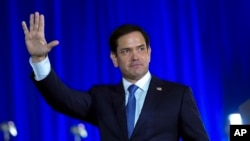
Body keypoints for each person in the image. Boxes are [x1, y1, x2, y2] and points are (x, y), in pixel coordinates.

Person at [22, 12, 209, 141]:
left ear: (149, 53)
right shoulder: (102, 97)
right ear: (114, 58)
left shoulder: (177, 95)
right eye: (126, 51)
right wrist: (39, 59)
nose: (135, 56)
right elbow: (62, 99)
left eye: (141, 49)